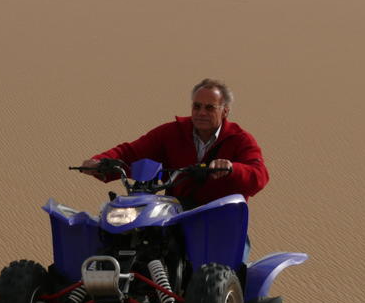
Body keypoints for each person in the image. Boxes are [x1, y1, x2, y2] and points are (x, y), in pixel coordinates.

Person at [81, 78, 269, 208]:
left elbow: (259, 176)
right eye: (197, 106)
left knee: (230, 253)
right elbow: (131, 152)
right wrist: (100, 162)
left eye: (210, 108)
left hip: (221, 219)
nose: (201, 113)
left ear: (225, 111)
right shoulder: (172, 132)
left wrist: (232, 169)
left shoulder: (239, 139)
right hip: (177, 214)